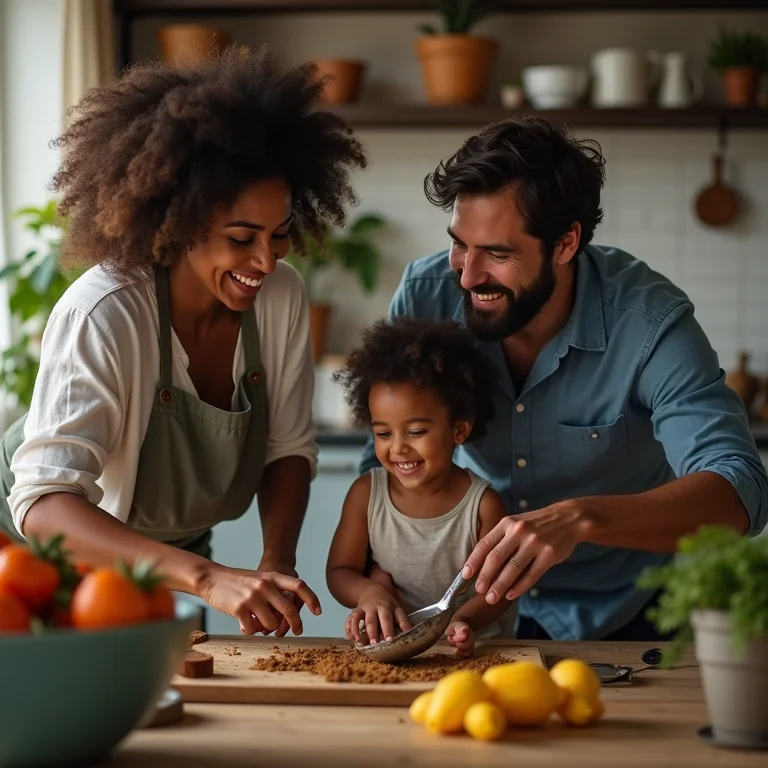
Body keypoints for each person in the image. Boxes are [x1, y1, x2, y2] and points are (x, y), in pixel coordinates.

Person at [0, 46, 368, 637]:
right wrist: (206, 578)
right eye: (242, 237)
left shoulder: (280, 296)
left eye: (278, 235)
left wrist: (275, 562)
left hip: (163, 561)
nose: (266, 260)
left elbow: (288, 448)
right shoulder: (107, 310)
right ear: (179, 219)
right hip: (32, 561)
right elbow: (46, 506)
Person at [360, 115, 768, 642]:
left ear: (566, 243)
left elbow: (740, 489)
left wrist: (580, 519)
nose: (466, 275)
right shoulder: (426, 297)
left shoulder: (648, 322)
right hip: (473, 609)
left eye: (499, 254)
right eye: (460, 244)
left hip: (634, 613)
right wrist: (379, 577)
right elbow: (381, 465)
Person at [327, 317, 516, 656]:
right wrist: (369, 593)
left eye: (415, 432)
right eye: (383, 433)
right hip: (394, 650)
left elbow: (498, 590)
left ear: (459, 429)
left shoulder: (483, 505)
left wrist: (463, 621)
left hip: (473, 653)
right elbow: (340, 571)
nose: (397, 447)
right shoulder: (365, 495)